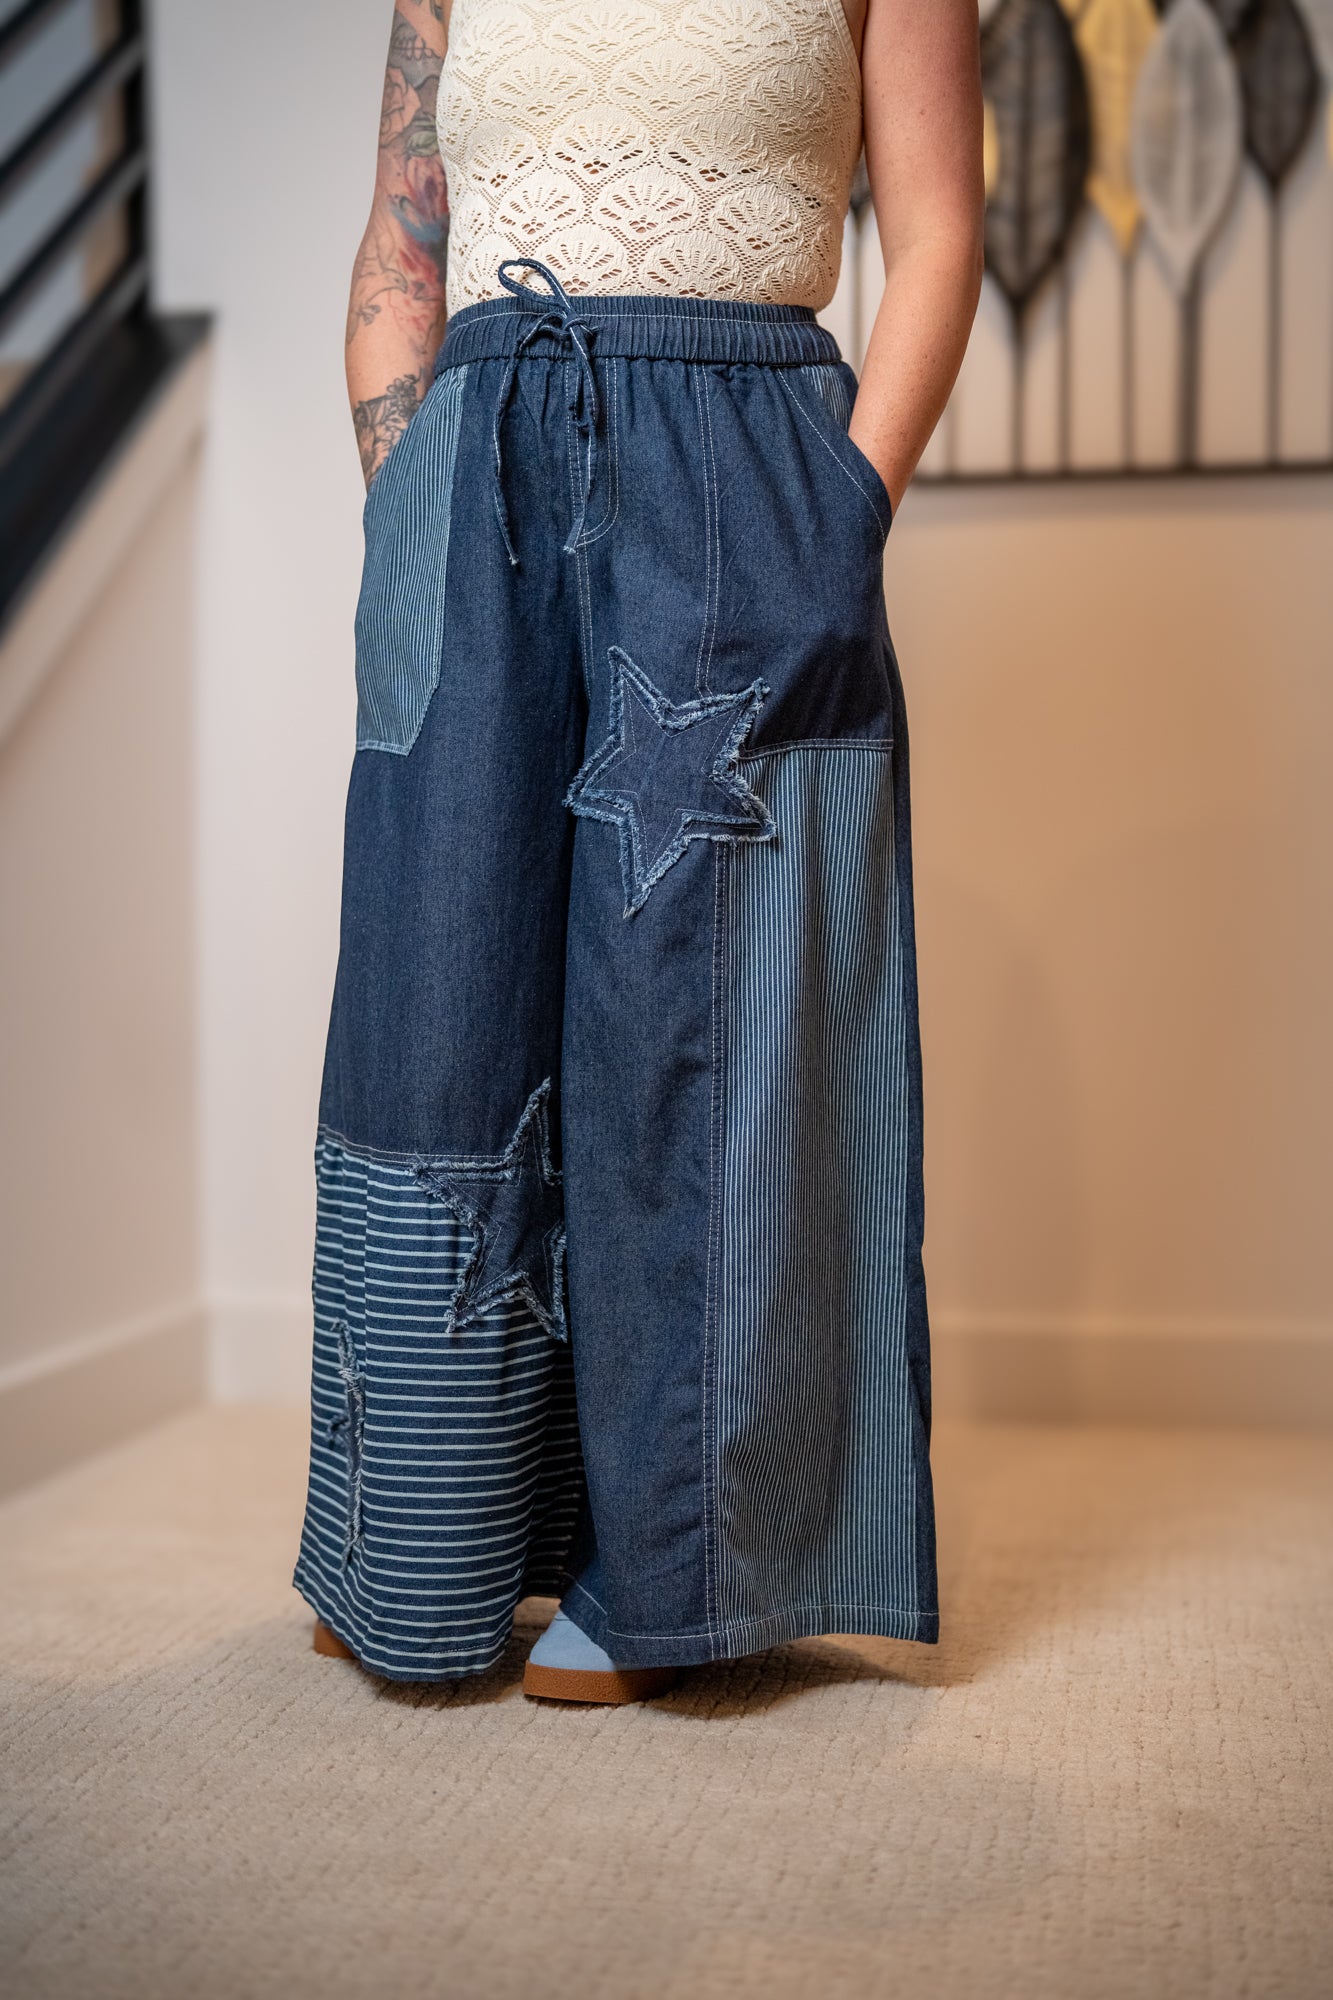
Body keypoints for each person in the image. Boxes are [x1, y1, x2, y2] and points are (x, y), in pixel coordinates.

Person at [295, 0, 984, 1704]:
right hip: (478, 462)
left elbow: (941, 227)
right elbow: (404, 236)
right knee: (433, 1004)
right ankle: (425, 1544)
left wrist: (841, 514)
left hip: (737, 462)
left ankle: (684, 1567)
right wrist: (406, 494)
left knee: (702, 1018)